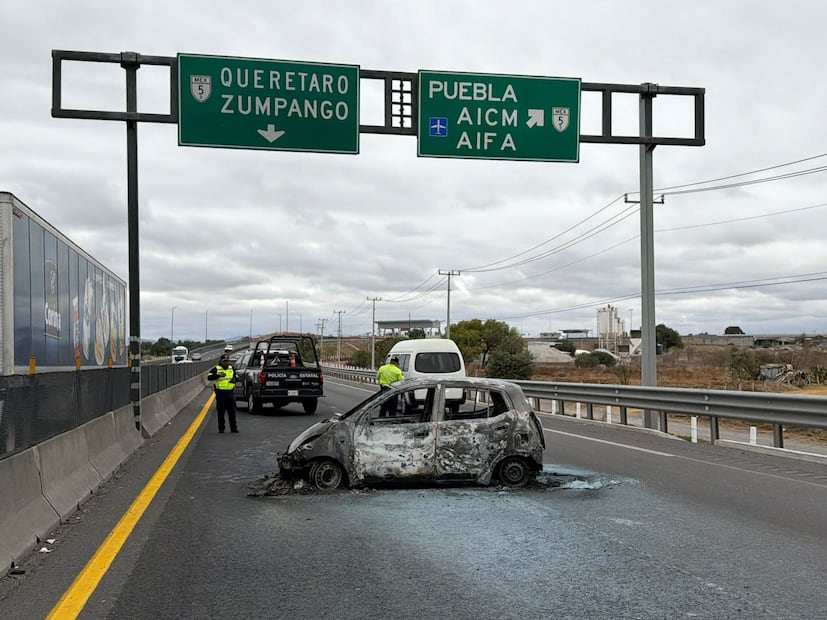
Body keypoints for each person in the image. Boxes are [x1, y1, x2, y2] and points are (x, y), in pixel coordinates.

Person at [208, 354, 238, 433]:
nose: (226, 362)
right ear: (221, 361)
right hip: (220, 393)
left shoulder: (231, 368)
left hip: (230, 393)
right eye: (224, 361)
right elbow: (209, 377)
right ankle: (221, 428)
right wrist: (218, 375)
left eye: (227, 361)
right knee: (221, 412)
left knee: (232, 411)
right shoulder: (216, 369)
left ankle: (233, 428)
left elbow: (236, 376)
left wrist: (235, 379)